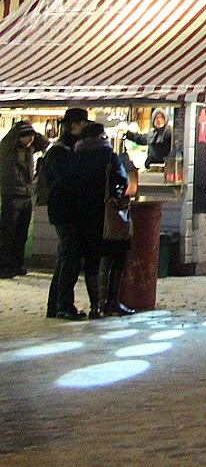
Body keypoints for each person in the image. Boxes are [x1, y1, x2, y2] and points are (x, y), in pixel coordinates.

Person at [66, 123, 133, 317]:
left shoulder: (76, 156)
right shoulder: (108, 155)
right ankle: (112, 301)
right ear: (101, 136)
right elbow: (122, 180)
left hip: (83, 215)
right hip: (106, 213)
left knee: (91, 260)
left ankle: (95, 305)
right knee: (117, 256)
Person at [38, 107, 88, 319]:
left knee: (66, 256)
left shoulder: (67, 148)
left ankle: (57, 305)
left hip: (65, 209)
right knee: (70, 257)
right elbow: (66, 180)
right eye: (84, 124)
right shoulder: (61, 150)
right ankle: (63, 306)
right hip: (64, 209)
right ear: (75, 125)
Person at [0, 120, 43, 277]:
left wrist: (32, 133)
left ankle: (17, 264)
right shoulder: (8, 148)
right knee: (8, 232)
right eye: (27, 137)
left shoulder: (29, 149)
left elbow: (43, 143)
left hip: (26, 194)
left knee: (21, 233)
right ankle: (4, 265)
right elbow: (7, 142)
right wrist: (20, 131)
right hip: (11, 194)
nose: (31, 140)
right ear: (19, 136)